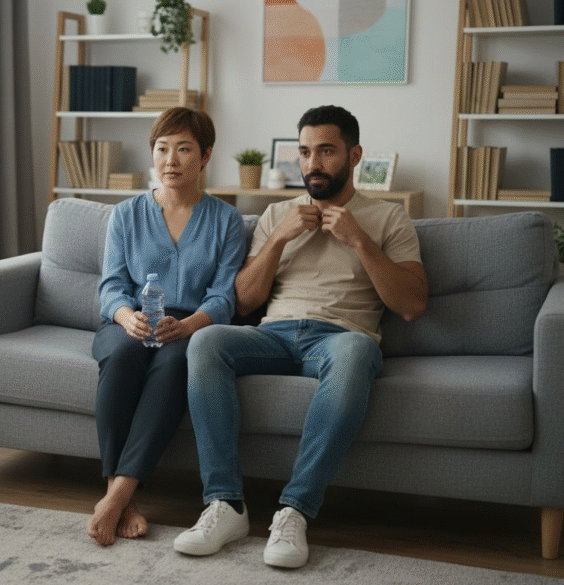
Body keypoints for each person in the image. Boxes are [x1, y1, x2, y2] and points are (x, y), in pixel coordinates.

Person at [173, 105, 428, 568]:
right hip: (274, 334)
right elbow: (245, 303)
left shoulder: (389, 219)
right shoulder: (276, 215)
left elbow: (411, 305)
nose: (313, 163)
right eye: (306, 152)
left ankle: (294, 510)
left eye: (326, 151)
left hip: (340, 337)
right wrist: (276, 240)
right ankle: (225, 504)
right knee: (205, 341)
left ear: (354, 157)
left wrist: (358, 240)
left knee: (355, 351)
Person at [87, 107, 247, 546]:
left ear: (206, 155)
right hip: (128, 322)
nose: (170, 160)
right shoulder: (125, 215)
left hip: (189, 328)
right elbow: (112, 285)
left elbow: (223, 296)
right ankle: (119, 496)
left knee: (176, 364)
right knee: (120, 356)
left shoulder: (227, 221)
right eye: (162, 149)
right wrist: (125, 317)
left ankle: (117, 495)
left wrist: (192, 323)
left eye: (183, 149)